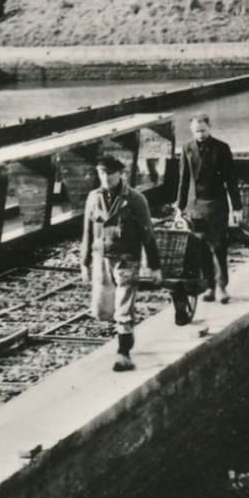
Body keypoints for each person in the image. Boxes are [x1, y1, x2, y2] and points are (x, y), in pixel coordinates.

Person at [80, 155, 161, 372]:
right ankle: (125, 337)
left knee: (123, 308)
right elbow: (88, 232)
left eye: (111, 173)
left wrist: (154, 265)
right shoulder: (93, 198)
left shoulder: (135, 199)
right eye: (102, 173)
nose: (106, 177)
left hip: (127, 258)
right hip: (101, 257)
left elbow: (148, 235)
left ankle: (123, 353)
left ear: (120, 174)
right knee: (102, 310)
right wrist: (84, 261)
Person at [176, 113, 243, 304]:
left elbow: (231, 180)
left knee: (218, 245)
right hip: (194, 206)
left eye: (203, 130)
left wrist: (237, 207)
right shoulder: (187, 148)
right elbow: (183, 179)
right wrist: (180, 206)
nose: (200, 134)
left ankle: (222, 286)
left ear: (209, 128)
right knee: (201, 248)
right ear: (192, 130)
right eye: (197, 131)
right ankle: (210, 287)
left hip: (216, 205)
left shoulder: (221, 148)